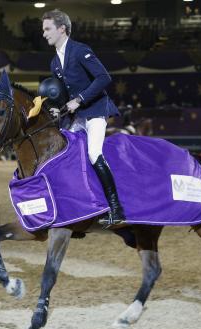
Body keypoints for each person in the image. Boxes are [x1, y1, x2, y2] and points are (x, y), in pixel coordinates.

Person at [41, 9, 125, 227]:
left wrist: (79, 99)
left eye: (47, 29)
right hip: (77, 115)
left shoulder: (80, 51)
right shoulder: (54, 63)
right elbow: (64, 94)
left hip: (96, 110)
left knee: (93, 152)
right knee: (65, 153)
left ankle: (117, 209)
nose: (44, 34)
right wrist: (59, 109)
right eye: (43, 30)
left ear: (62, 29)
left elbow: (104, 77)